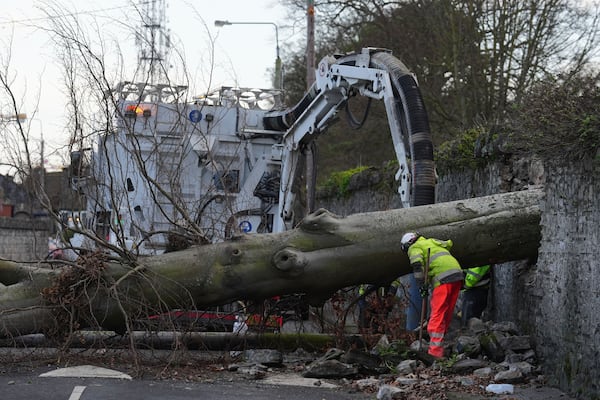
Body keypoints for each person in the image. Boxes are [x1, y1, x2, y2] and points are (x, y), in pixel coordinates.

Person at [400, 232, 464, 359]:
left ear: (408, 244)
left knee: (437, 314)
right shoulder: (431, 242)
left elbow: (417, 266)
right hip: (457, 275)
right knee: (447, 312)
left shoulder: (415, 247)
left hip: (443, 278)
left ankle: (435, 352)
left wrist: (421, 285)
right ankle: (442, 344)